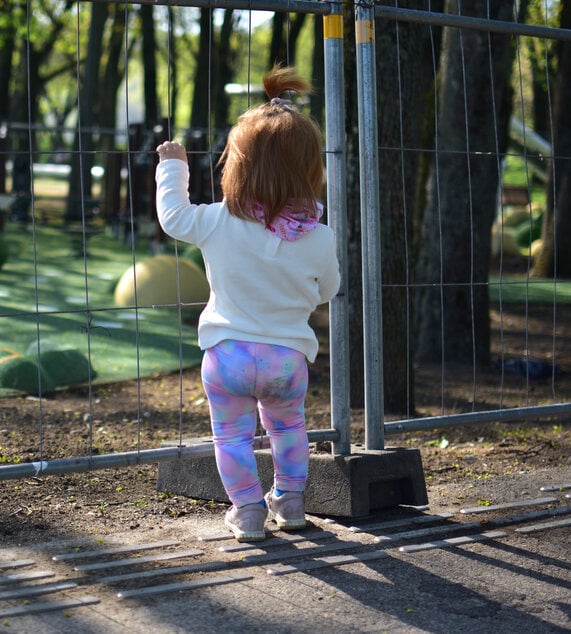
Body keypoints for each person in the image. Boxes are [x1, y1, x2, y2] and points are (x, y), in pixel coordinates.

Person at [155, 65, 340, 542]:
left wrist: (173, 165)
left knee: (232, 438)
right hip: (286, 357)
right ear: (311, 168)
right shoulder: (319, 236)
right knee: (288, 428)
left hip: (228, 353)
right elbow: (328, 290)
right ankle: (291, 501)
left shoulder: (218, 221)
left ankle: (248, 510)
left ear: (237, 163)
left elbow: (174, 217)